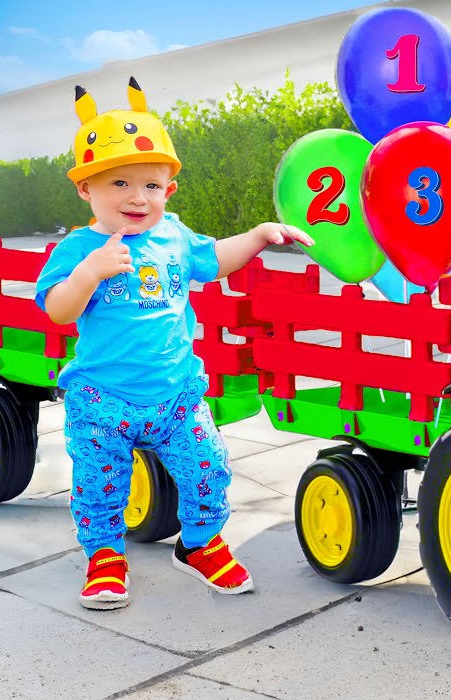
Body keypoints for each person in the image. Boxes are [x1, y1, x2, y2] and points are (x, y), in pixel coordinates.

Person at [35, 78, 313, 609]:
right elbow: (57, 311)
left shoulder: (175, 237)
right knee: (100, 482)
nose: (137, 197)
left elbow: (213, 259)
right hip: (103, 398)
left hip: (175, 394)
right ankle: (105, 557)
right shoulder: (79, 248)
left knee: (208, 465)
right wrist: (88, 274)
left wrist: (256, 238)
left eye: (152, 186)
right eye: (119, 184)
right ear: (85, 189)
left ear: (170, 190)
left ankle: (200, 543)